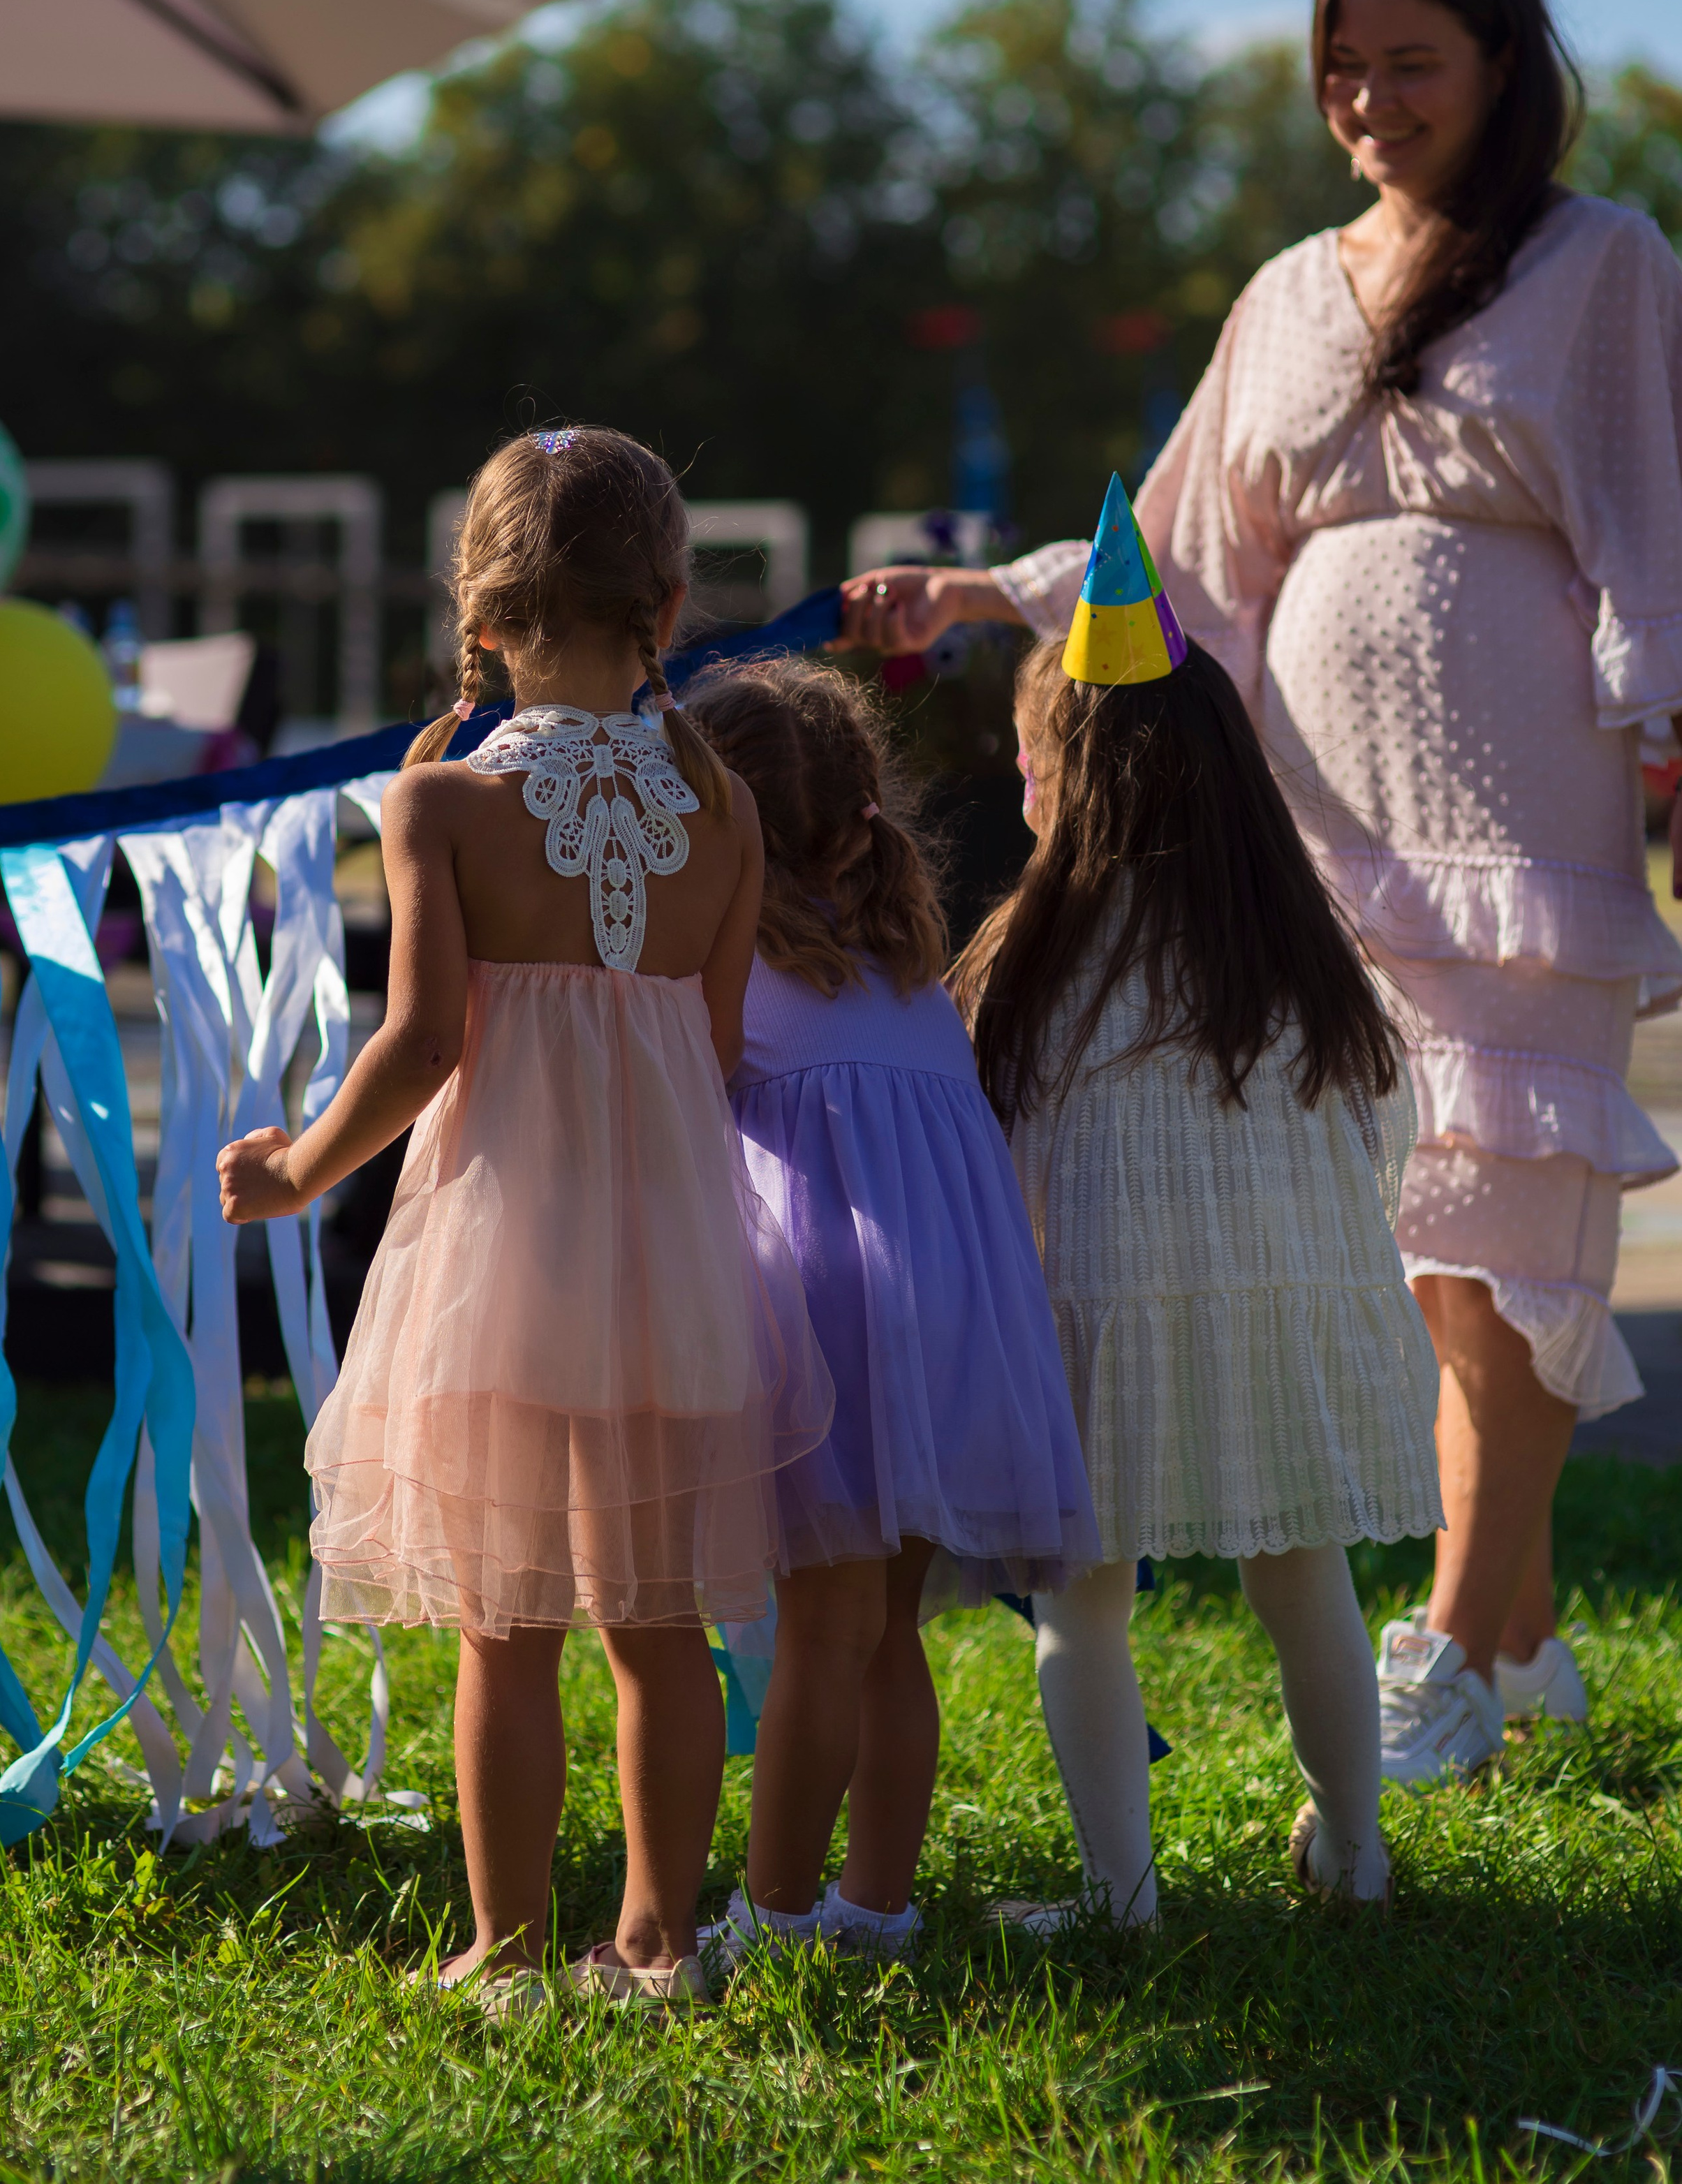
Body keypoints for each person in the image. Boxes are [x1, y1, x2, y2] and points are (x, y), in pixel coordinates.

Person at [844, 0, 1682, 1786]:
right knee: (1404, 1221)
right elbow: (1183, 552)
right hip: (1317, 824)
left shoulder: (1605, 263)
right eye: (1343, 71)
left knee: (1501, 1230)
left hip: (1518, 808)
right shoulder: (1292, 291)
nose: (1371, 104)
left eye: (1413, 66)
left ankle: (1449, 1650)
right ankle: (1521, 1636)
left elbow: (1653, 520)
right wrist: (987, 594)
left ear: (1503, 68)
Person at [216, 425, 832, 2017]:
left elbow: (423, 1044)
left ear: (478, 617)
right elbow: (713, 1051)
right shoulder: (723, 809)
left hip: (503, 1258)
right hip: (669, 1255)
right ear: (670, 605)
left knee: (507, 1623)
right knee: (657, 1619)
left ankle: (503, 1947)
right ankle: (660, 1941)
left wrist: (299, 1171)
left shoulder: (437, 803)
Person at [953, 488, 1440, 1925]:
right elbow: (1381, 1130)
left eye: (1031, 762)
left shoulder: (1028, 965)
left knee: (1081, 1604)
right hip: (1276, 1318)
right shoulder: (1300, 957)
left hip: (1094, 1335)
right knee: (1305, 1578)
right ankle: (1352, 1857)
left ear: (1064, 778)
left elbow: (990, 1166)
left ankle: (1121, 1897)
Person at [681, 658, 1096, 1963]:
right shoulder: (907, 971)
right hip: (953, 1318)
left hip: (829, 1320)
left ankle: (776, 1912)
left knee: (820, 1631)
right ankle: (875, 1906)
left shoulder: (729, 973)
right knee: (883, 1638)